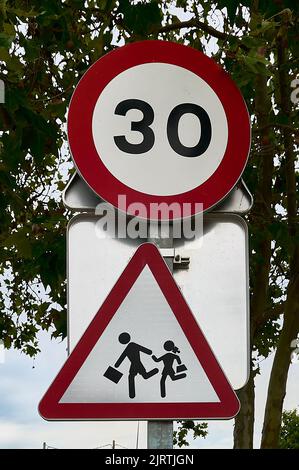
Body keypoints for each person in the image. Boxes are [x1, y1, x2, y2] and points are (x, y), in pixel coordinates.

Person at [114, 332, 159, 399]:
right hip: (135, 364)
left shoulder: (131, 346)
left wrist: (117, 365)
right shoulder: (132, 345)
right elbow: (122, 356)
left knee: (140, 376)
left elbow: (122, 357)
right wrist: (149, 352)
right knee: (136, 376)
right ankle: (132, 395)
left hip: (137, 364)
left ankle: (156, 370)